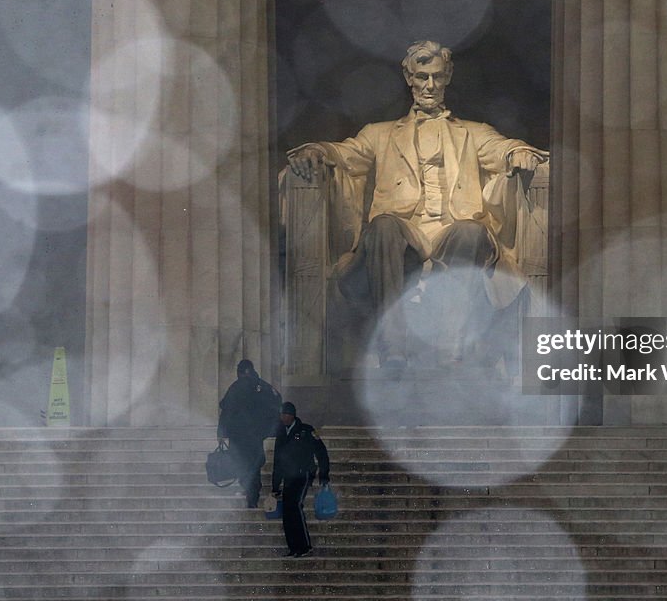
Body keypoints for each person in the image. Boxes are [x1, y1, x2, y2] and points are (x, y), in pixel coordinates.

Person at [287, 40, 548, 367]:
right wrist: (318, 151)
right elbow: (347, 153)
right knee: (383, 226)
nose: (430, 85)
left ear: (448, 77)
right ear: (409, 78)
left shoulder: (473, 133)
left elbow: (500, 148)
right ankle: (393, 348)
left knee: (471, 231)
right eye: (422, 77)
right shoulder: (380, 134)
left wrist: (518, 152)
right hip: (401, 238)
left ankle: (450, 349)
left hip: (452, 234)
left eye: (437, 77)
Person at [216, 359, 281, 508]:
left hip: (239, 435)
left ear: (241, 372)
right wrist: (268, 429)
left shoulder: (237, 387)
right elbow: (276, 402)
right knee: (254, 464)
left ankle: (249, 491)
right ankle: (252, 494)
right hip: (256, 435)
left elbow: (227, 410)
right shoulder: (263, 386)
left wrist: (221, 433)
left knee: (242, 464)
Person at [271, 401, 330, 558]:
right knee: (287, 511)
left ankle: (304, 546)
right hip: (289, 476)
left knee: (295, 506)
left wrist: (323, 475)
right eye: (281, 414)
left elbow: (321, 453)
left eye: (285, 414)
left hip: (303, 474)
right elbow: (277, 460)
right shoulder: (281, 433)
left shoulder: (306, 431)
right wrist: (275, 486)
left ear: (292, 415)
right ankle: (293, 547)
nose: (282, 417)